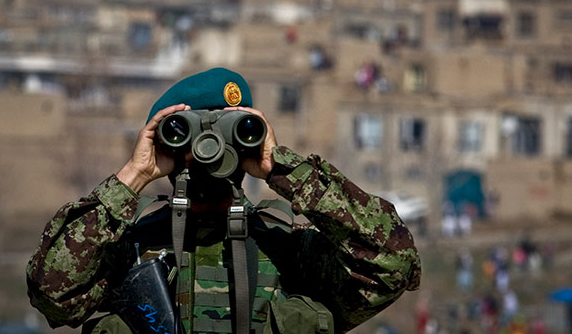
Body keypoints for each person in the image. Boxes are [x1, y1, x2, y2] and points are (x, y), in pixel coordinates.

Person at [27, 68, 422, 334]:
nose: (209, 149)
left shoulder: (290, 251)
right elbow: (53, 295)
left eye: (234, 131)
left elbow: (392, 262)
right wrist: (134, 175)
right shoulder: (129, 251)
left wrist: (281, 168)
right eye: (187, 133)